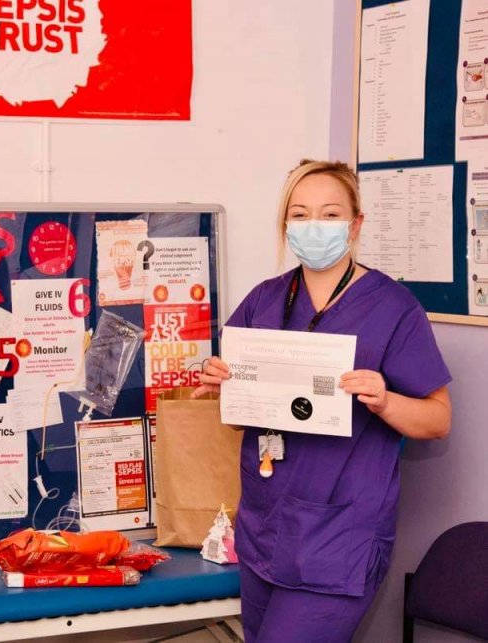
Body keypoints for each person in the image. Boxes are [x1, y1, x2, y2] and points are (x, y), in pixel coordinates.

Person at [194, 160, 452, 642]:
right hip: (265, 527)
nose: (315, 226)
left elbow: (438, 420)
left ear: (355, 224)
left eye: (330, 214)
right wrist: (226, 387)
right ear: (285, 224)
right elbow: (239, 421)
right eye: (301, 214)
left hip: (339, 539)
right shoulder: (263, 300)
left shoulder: (393, 308)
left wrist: (384, 400)